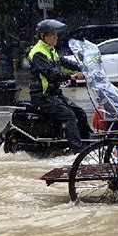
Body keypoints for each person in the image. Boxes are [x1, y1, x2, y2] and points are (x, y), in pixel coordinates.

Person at [28, 19, 92, 154]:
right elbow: (51, 73)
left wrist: (83, 67)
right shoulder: (38, 53)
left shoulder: (51, 50)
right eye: (53, 35)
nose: (56, 37)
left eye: (56, 34)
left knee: (79, 112)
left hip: (54, 95)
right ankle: (78, 151)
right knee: (69, 116)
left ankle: (88, 142)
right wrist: (71, 77)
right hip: (42, 97)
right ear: (43, 36)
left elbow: (64, 63)